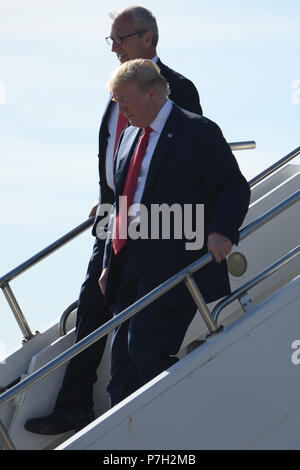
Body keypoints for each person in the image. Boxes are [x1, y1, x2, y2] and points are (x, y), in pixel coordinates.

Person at [25, 6, 202, 435]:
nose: (115, 49)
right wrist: (106, 197)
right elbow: (117, 152)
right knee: (92, 303)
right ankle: (74, 403)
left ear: (149, 40)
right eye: (111, 41)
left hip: (155, 222)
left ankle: (128, 413)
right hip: (113, 214)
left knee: (133, 315)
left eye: (121, 40)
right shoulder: (117, 89)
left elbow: (187, 157)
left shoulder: (177, 88)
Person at [98, 59, 251, 407]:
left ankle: (180, 416)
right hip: (128, 262)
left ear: (152, 94)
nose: (121, 109)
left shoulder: (197, 130)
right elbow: (121, 202)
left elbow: (233, 186)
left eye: (125, 100)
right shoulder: (127, 137)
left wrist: (221, 232)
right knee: (121, 365)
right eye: (116, 101)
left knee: (145, 346)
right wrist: (109, 261)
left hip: (175, 260)